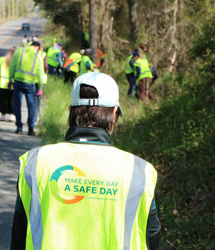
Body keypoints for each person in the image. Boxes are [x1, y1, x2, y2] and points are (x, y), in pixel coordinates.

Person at [10, 72, 161, 250]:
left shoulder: (35, 162)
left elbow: (19, 234)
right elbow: (152, 235)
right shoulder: (140, 171)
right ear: (114, 113)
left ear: (70, 111)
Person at [9, 41, 44, 135]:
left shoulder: (19, 51)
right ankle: (31, 128)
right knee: (31, 106)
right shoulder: (38, 56)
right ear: (37, 47)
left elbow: (12, 66)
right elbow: (40, 74)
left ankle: (19, 127)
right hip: (30, 84)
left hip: (18, 81)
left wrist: (10, 79)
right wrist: (40, 87)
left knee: (17, 105)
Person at [0, 46, 17, 122]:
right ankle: (12, 115)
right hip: (12, 83)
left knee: (3, 100)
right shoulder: (16, 61)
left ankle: (3, 115)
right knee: (12, 100)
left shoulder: (0, 60)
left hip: (1, 83)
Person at [34, 41, 48, 123]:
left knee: (33, 100)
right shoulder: (43, 55)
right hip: (41, 80)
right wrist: (47, 70)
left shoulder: (34, 54)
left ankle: (33, 118)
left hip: (32, 79)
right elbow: (46, 66)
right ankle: (36, 118)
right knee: (38, 100)